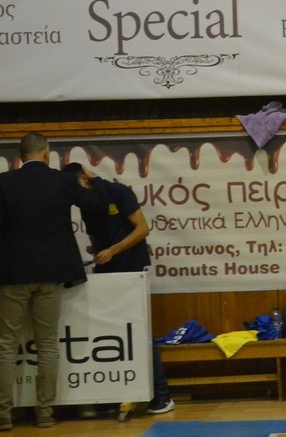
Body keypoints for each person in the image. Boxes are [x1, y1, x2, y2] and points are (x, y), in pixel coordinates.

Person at [0, 133, 103, 431]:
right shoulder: (62, 181)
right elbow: (94, 204)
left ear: (20, 156)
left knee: (6, 345)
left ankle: (4, 415)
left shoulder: (4, 183)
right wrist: (92, 182)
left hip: (12, 273)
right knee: (47, 345)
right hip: (52, 272)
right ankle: (45, 413)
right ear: (46, 153)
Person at [63, 162, 174, 416]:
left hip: (132, 269)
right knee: (112, 333)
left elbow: (142, 229)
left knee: (139, 331)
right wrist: (97, 252)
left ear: (85, 179)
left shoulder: (118, 192)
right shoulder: (86, 205)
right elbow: (97, 238)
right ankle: (115, 394)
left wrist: (113, 250)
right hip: (108, 273)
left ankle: (162, 393)